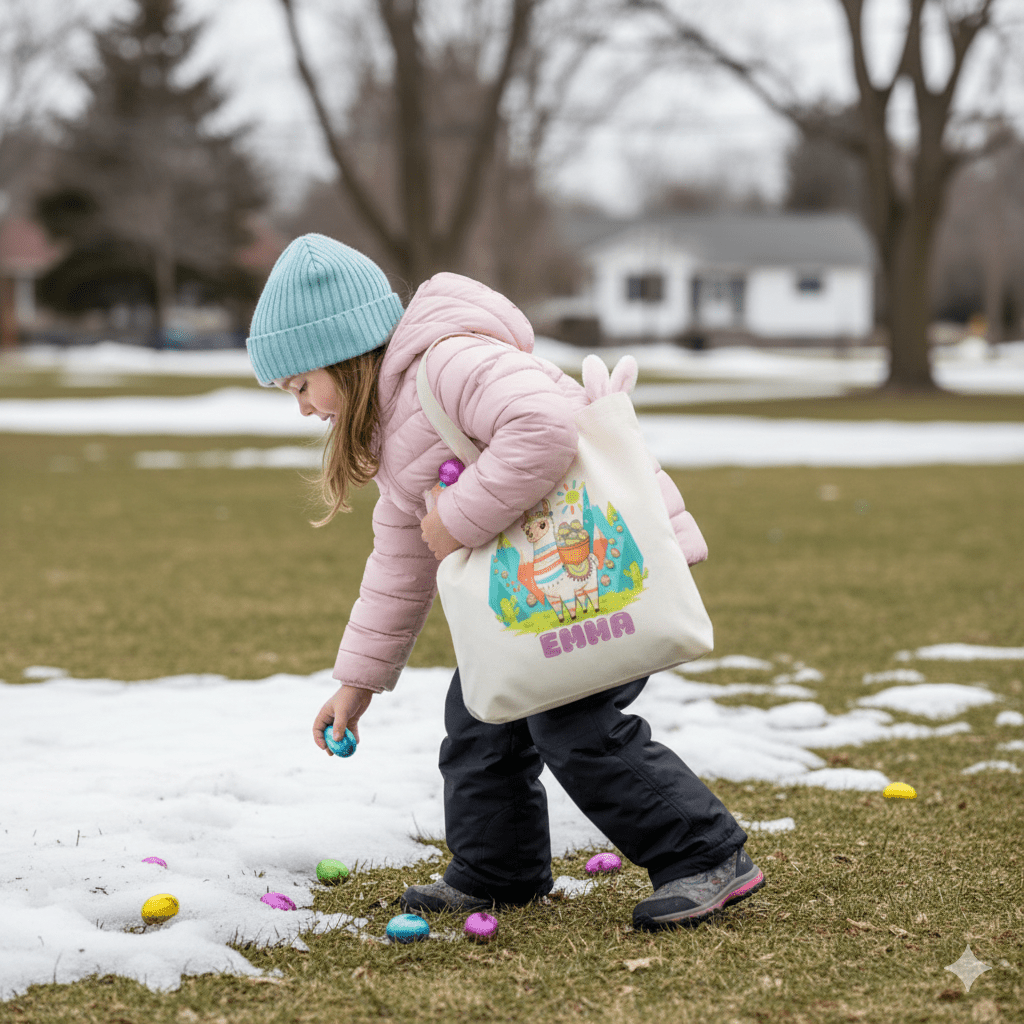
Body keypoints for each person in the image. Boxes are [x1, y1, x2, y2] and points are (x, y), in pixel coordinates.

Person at [245, 233, 766, 931]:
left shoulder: (450, 362)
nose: (304, 408)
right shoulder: (392, 431)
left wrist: (456, 516)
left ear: (342, 352)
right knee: (481, 717)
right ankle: (500, 868)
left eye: (301, 385)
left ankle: (705, 853)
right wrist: (357, 682)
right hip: (541, 598)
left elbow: (546, 429)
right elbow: (399, 564)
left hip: (601, 574)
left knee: (573, 724)